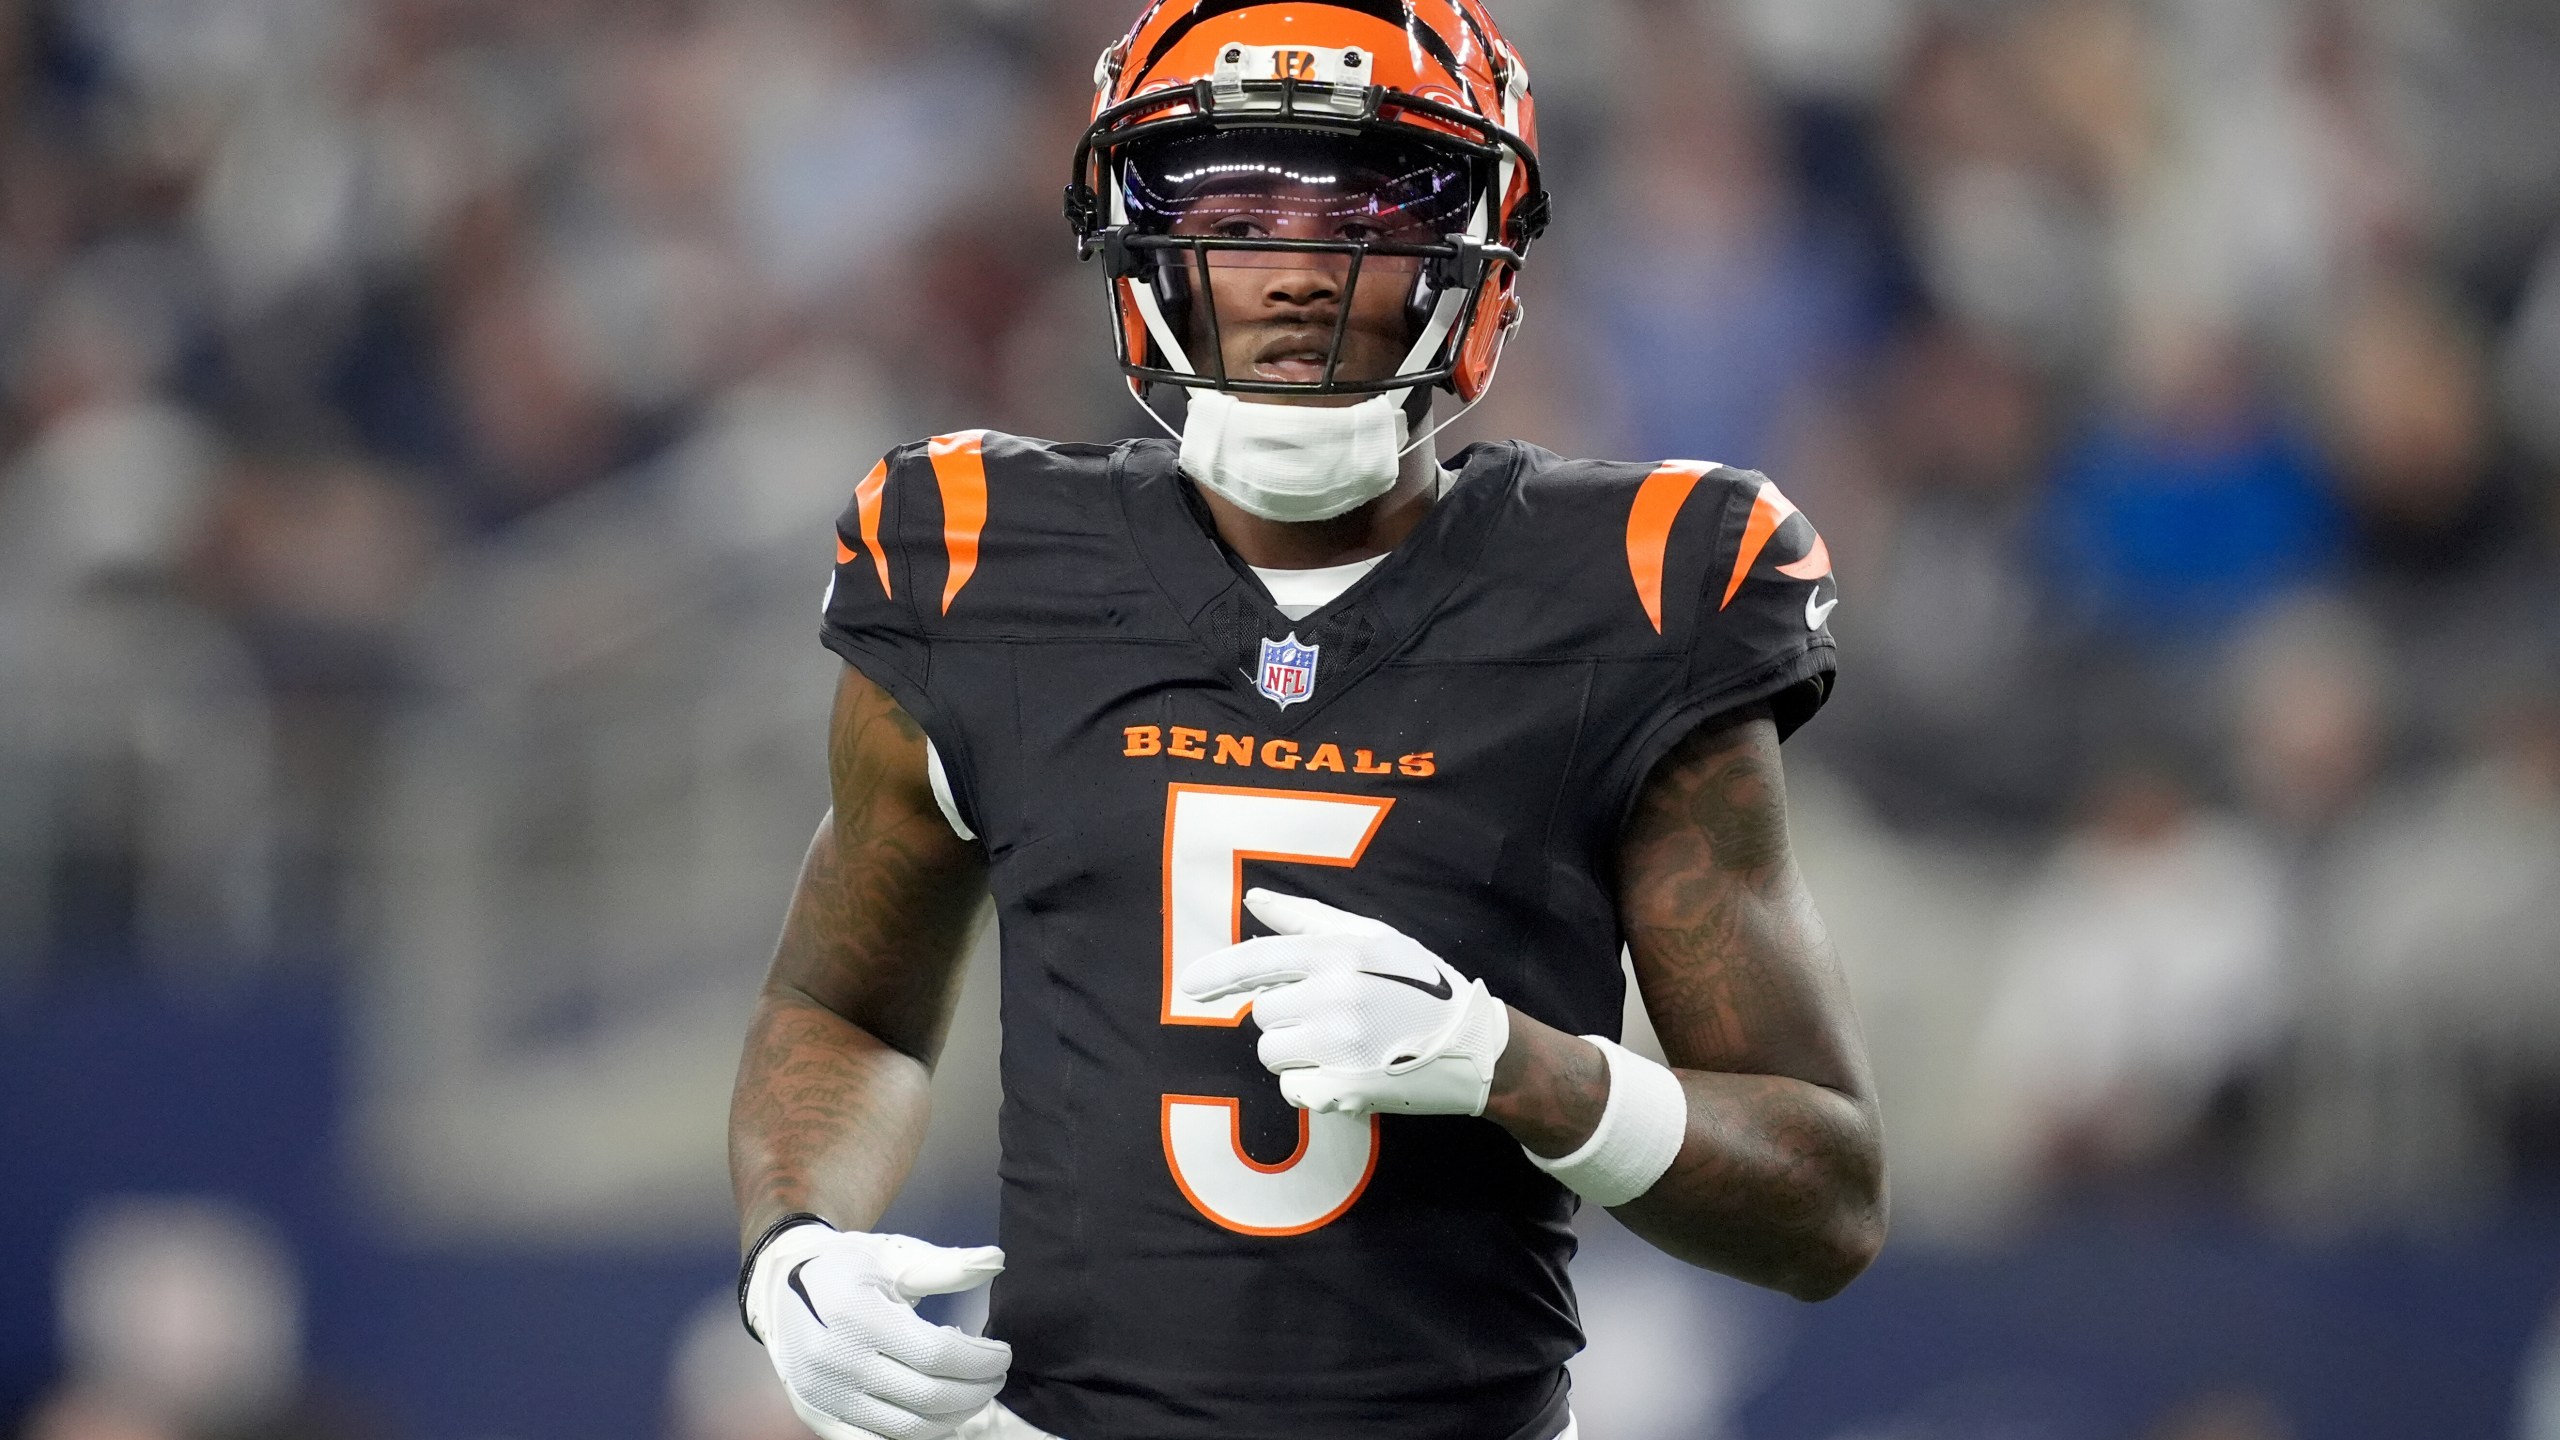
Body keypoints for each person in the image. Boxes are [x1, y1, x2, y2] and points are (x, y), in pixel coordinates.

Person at [725, 5, 1885, 1438]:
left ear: (1480, 253)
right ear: (1141, 246)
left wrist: (1514, 1067)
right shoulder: (978, 561)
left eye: (1367, 211)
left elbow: (1824, 1201)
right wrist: (794, 1241)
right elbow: (843, 1007)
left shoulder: (1638, 594)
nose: (1293, 271)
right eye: (1234, 209)